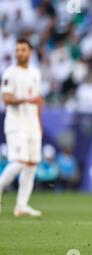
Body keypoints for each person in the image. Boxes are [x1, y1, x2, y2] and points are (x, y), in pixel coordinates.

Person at [0, 38, 43, 216]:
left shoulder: (35, 73)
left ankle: (21, 205)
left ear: (30, 52)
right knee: (19, 162)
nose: (19, 53)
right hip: (16, 124)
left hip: (32, 124)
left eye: (23, 50)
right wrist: (26, 100)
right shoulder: (10, 73)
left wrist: (39, 124)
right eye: (17, 50)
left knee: (32, 164)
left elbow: (37, 101)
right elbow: (7, 99)